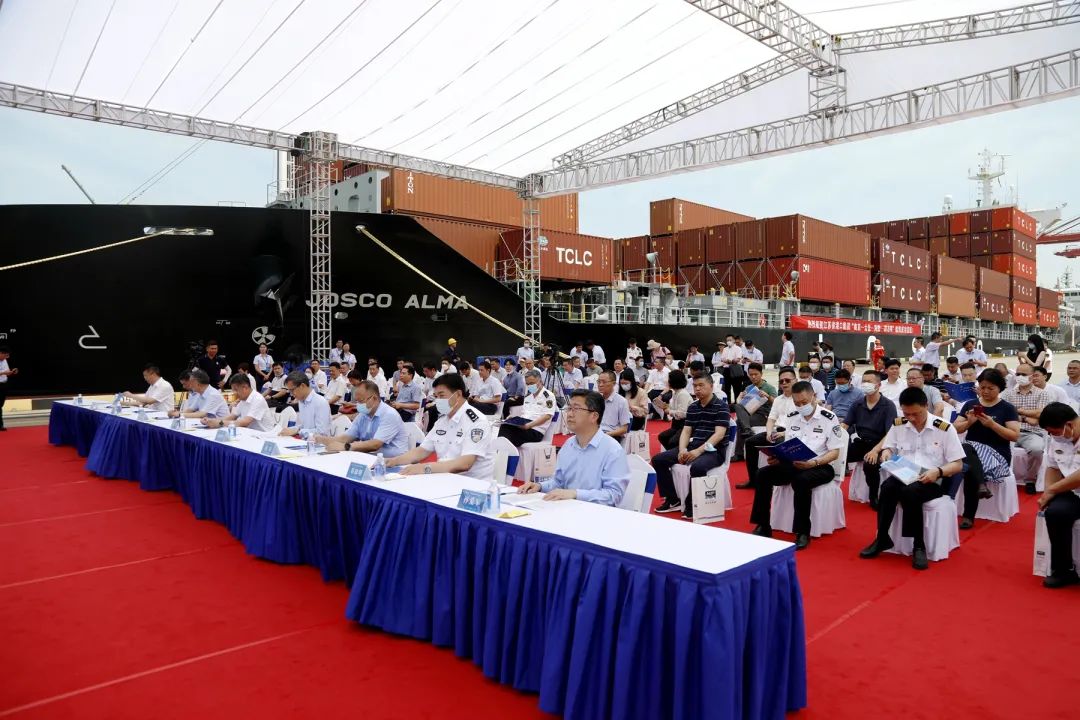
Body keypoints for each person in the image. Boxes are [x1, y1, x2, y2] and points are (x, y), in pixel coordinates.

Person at [859, 387, 966, 570]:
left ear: (926, 406)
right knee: (887, 488)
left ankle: (918, 545)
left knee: (911, 492)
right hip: (904, 473)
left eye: (916, 414)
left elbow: (958, 464)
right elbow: (890, 447)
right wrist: (886, 453)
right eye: (907, 414)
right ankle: (882, 537)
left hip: (932, 478)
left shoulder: (944, 428)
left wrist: (937, 471)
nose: (911, 418)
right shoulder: (899, 424)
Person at [749, 380, 843, 550]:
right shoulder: (792, 417)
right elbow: (790, 446)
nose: (801, 406)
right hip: (794, 463)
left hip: (820, 465)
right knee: (763, 474)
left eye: (804, 402)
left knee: (801, 480)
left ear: (813, 396)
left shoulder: (828, 418)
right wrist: (778, 457)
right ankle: (763, 525)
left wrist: (813, 462)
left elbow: (835, 452)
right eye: (797, 403)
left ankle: (802, 531)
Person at [517, 390, 629, 505]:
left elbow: (614, 495)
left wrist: (576, 494)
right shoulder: (568, 445)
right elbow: (558, 482)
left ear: (594, 416)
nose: (570, 414)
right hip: (566, 508)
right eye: (569, 408)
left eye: (576, 409)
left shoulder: (612, 450)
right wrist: (539, 486)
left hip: (595, 513)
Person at [653, 374, 731, 520]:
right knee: (658, 460)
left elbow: (719, 435)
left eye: (701, 385)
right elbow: (686, 431)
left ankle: (692, 504)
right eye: (695, 386)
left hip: (713, 450)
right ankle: (672, 499)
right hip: (693, 446)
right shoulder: (693, 407)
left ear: (711, 386)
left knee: (697, 467)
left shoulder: (721, 406)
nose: (697, 389)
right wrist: (683, 449)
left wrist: (698, 451)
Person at [388, 373, 494, 480]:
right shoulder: (442, 421)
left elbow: (465, 464)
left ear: (458, 394)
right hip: (443, 479)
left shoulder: (476, 422)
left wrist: (425, 468)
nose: (438, 400)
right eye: (436, 396)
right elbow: (422, 450)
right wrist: (393, 461)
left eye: (442, 396)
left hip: (471, 484)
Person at [952, 368, 1020, 528]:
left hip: (997, 454)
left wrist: (992, 424)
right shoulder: (970, 405)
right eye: (982, 387)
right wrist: (969, 422)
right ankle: (981, 485)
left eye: (991, 388)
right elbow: (955, 429)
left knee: (968, 460)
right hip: (971, 452)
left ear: (999, 388)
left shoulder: (1007, 408)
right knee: (968, 452)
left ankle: (969, 515)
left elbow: (1014, 435)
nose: (986, 391)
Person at [1035, 402, 1080, 588]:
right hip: (1071, 490)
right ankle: (1064, 570)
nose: (1053, 436)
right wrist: (1048, 493)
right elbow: (1053, 467)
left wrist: (1053, 490)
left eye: (1054, 432)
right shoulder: (1058, 439)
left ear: (1069, 425)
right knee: (1055, 512)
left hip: (1072, 485)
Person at [843, 370, 898, 509]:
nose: (865, 384)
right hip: (861, 442)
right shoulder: (857, 404)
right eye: (864, 381)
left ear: (878, 385)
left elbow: (890, 433)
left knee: (870, 464)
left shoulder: (888, 406)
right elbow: (845, 425)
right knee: (836, 456)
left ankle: (873, 496)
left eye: (869, 381)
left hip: (881, 444)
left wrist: (875, 451)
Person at [314, 379, 410, 458]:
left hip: (394, 461)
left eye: (361, 401)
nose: (358, 405)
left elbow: (375, 444)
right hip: (369, 457)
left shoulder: (389, 415)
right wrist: (325, 440)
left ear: (374, 398)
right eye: (357, 401)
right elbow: (347, 437)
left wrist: (346, 446)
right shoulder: (363, 414)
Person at [738, 366, 798, 489]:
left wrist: (785, 433)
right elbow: (771, 419)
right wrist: (769, 432)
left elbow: (802, 424)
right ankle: (753, 480)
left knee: (780, 442)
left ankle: (779, 479)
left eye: (787, 380)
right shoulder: (778, 400)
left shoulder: (800, 399)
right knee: (750, 442)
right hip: (776, 430)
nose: (784, 383)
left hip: (791, 433)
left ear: (795, 380)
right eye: (781, 381)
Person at [1002, 363, 1051, 494]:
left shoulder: (1042, 394)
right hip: (1010, 430)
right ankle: (1001, 476)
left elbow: (1040, 415)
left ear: (1032, 376)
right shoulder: (1008, 394)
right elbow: (1005, 413)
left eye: (1023, 374)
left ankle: (1030, 480)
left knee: (1037, 449)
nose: (1020, 377)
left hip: (1032, 433)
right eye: (1018, 374)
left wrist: (1017, 411)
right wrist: (1026, 417)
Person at [498, 369, 556, 446]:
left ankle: (502, 450)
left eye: (532, 383)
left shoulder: (548, 396)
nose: (530, 386)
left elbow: (547, 416)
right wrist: (513, 419)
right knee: (505, 426)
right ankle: (502, 450)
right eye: (527, 384)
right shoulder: (528, 397)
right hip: (524, 426)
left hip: (536, 430)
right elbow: (524, 415)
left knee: (508, 433)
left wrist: (529, 425)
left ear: (540, 381)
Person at [201, 373, 277, 432]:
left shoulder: (258, 399)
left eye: (236, 390)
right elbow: (232, 416)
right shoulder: (243, 399)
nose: (234, 393)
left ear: (245, 387)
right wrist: (212, 421)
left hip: (264, 435)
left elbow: (244, 422)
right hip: (250, 434)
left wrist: (219, 423)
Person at [732, 362, 776, 462]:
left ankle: (739, 453)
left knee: (739, 422)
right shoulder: (748, 388)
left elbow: (777, 403)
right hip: (750, 412)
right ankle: (747, 431)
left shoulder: (769, 388)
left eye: (756, 374)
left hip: (764, 415)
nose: (753, 377)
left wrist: (767, 396)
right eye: (751, 374)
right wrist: (741, 398)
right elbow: (741, 405)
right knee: (737, 406)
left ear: (761, 374)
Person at [279, 370, 332, 437]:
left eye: (292, 390)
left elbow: (322, 432)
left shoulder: (320, 402)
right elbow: (302, 426)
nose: (291, 394)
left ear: (302, 386)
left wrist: (297, 431)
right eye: (289, 391)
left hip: (318, 442)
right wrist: (290, 429)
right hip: (304, 440)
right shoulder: (301, 401)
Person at [657, 370, 693, 450]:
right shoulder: (675, 393)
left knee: (672, 442)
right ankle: (672, 452)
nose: (667, 381)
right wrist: (665, 406)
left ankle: (676, 453)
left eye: (669, 379)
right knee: (662, 437)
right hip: (676, 424)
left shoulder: (683, 394)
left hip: (685, 425)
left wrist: (669, 411)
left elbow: (682, 413)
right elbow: (673, 408)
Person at [718, 334, 744, 404]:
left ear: (734, 340)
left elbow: (737, 359)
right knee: (726, 388)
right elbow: (722, 359)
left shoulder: (738, 348)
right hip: (726, 370)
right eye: (727, 340)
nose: (728, 341)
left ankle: (737, 404)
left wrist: (729, 361)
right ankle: (728, 403)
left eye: (730, 340)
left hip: (735, 369)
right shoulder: (725, 349)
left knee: (737, 388)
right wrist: (729, 361)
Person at [0, 346, 15, 430]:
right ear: (1, 353)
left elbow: (7, 372)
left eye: (7, 356)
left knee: (0, 405)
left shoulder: (5, 360)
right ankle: (0, 425)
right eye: (5, 355)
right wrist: (3, 373)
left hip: (3, 384)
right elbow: (3, 372)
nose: (6, 357)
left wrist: (11, 372)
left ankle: (0, 425)